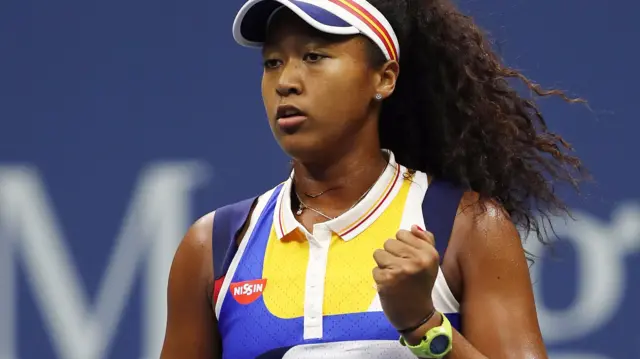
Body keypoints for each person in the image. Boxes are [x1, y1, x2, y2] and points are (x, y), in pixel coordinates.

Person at [160, 0, 585, 357]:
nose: (286, 82)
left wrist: (424, 325)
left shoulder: (467, 226)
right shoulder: (212, 248)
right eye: (273, 63)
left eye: (314, 56)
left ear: (384, 77)